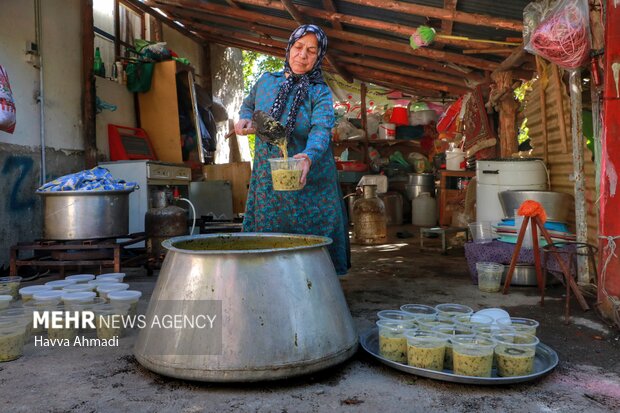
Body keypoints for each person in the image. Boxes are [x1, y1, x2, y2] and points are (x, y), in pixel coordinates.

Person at [235, 24, 350, 275]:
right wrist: (244, 119)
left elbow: (321, 128)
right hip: (270, 177)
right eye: (298, 47)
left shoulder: (319, 91)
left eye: (311, 50)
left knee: (313, 234)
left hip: (309, 175)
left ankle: (319, 286)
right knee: (269, 231)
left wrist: (308, 156)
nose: (302, 55)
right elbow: (248, 105)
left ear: (318, 56)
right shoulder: (266, 81)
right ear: (289, 48)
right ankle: (268, 283)